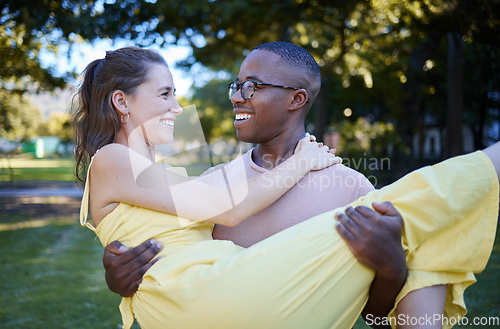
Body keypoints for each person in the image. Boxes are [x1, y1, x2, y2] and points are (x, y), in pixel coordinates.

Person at [76, 46, 499, 329]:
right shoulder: (217, 180)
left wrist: (391, 269)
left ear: (296, 99)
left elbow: (370, 317)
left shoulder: (349, 186)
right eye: (236, 85)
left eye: (252, 87)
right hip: (215, 307)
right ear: (121, 101)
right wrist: (122, 277)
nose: (237, 97)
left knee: (425, 224)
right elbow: (182, 237)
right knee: (429, 207)